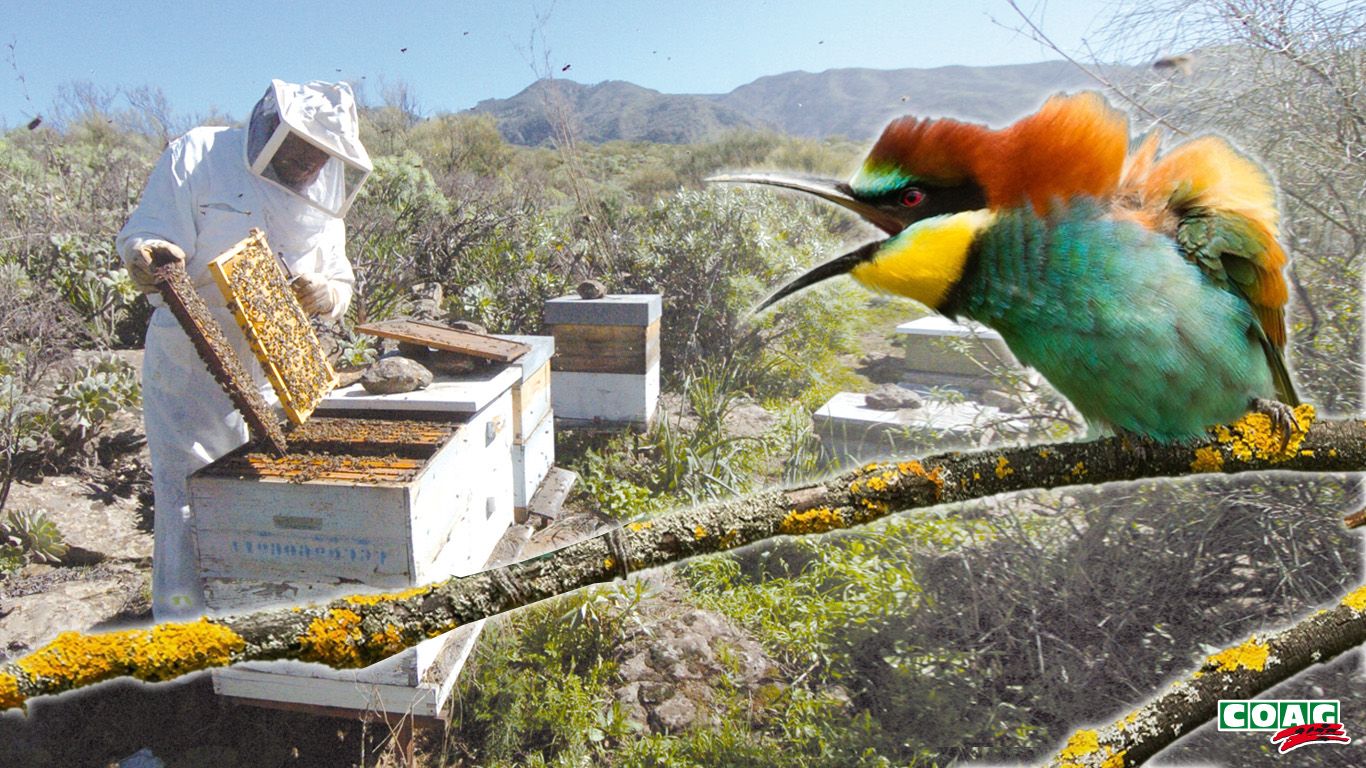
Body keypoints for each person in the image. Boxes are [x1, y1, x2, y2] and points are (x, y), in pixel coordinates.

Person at [116, 79, 372, 620]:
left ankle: (251, 621)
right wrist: (150, 253)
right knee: (189, 502)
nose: (308, 164)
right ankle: (184, 634)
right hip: (191, 364)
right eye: (300, 149)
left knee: (264, 503)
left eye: (320, 156)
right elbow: (150, 232)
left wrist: (326, 294)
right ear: (270, 129)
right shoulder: (199, 154)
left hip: (276, 367)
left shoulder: (323, 198)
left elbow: (341, 283)